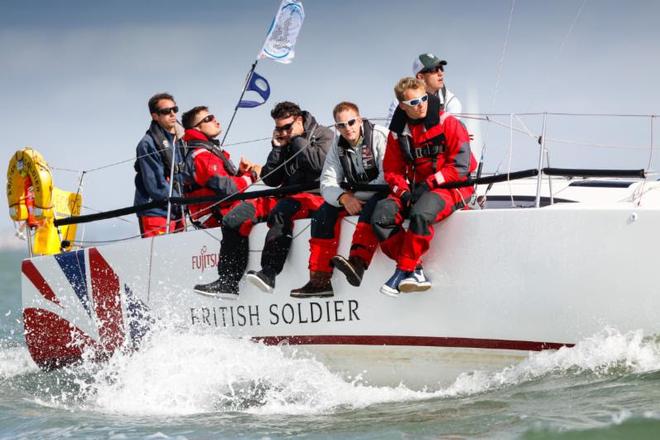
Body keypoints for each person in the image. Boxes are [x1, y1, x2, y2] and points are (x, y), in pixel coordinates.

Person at [193, 101, 333, 299]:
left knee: (281, 211)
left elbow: (317, 164)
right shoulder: (284, 141)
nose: (283, 132)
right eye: (278, 128)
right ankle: (228, 281)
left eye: (287, 127)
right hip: (285, 196)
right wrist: (277, 148)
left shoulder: (323, 134)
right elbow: (271, 178)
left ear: (300, 120)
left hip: (314, 196)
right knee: (234, 217)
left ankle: (269, 272)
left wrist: (295, 140)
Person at [373, 77, 476, 297]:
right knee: (381, 215)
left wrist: (429, 183)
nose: (420, 105)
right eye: (413, 103)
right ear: (402, 106)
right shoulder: (398, 133)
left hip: (452, 187)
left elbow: (461, 165)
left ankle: (403, 271)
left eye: (423, 99)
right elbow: (392, 170)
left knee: (421, 213)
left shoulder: (448, 122)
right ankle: (416, 269)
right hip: (417, 190)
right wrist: (403, 191)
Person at [290, 102, 389, 298]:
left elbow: (386, 178)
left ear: (360, 120)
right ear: (336, 127)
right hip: (355, 195)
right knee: (323, 213)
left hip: (385, 192)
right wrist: (343, 197)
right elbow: (327, 181)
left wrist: (354, 198)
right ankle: (320, 280)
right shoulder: (338, 144)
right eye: (341, 125)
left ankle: (358, 264)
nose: (348, 128)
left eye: (351, 122)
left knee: (374, 204)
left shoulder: (380, 136)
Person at [180, 106, 260, 229]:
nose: (216, 121)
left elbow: (220, 186)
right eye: (209, 118)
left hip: (224, 213)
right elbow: (229, 190)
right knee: (270, 207)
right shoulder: (202, 156)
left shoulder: (207, 152)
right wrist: (252, 175)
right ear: (197, 127)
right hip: (216, 219)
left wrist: (239, 173)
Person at [134, 92, 187, 237]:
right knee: (160, 257)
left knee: (180, 254)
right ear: (155, 116)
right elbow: (156, 185)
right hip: (155, 211)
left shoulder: (181, 139)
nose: (172, 114)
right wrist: (181, 201)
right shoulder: (147, 144)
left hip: (178, 210)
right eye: (166, 111)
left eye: (174, 109)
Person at [386, 53, 462, 124]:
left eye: (441, 68)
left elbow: (452, 131)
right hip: (410, 137)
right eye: (434, 70)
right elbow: (390, 132)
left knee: (462, 125)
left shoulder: (451, 101)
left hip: (438, 138)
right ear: (420, 77)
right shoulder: (400, 101)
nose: (440, 73)